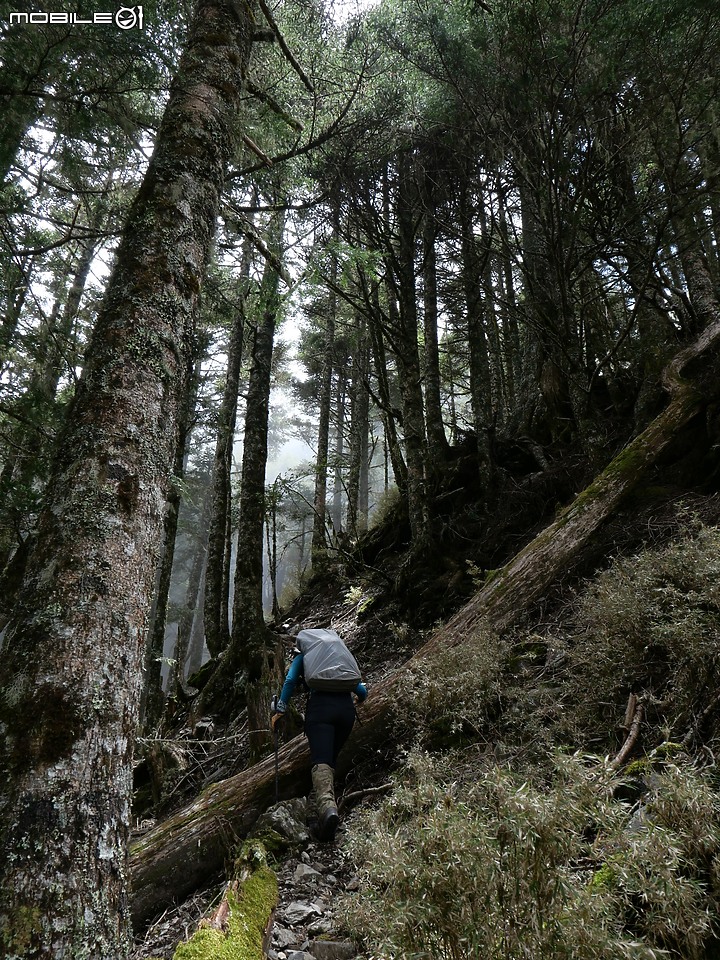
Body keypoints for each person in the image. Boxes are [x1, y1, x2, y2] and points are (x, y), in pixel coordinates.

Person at [272, 630, 368, 841]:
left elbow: (289, 681)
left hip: (321, 711)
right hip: (346, 712)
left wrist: (280, 708)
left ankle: (328, 810)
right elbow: (360, 691)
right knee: (329, 761)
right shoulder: (336, 659)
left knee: (321, 761)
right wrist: (360, 699)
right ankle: (315, 818)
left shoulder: (304, 655)